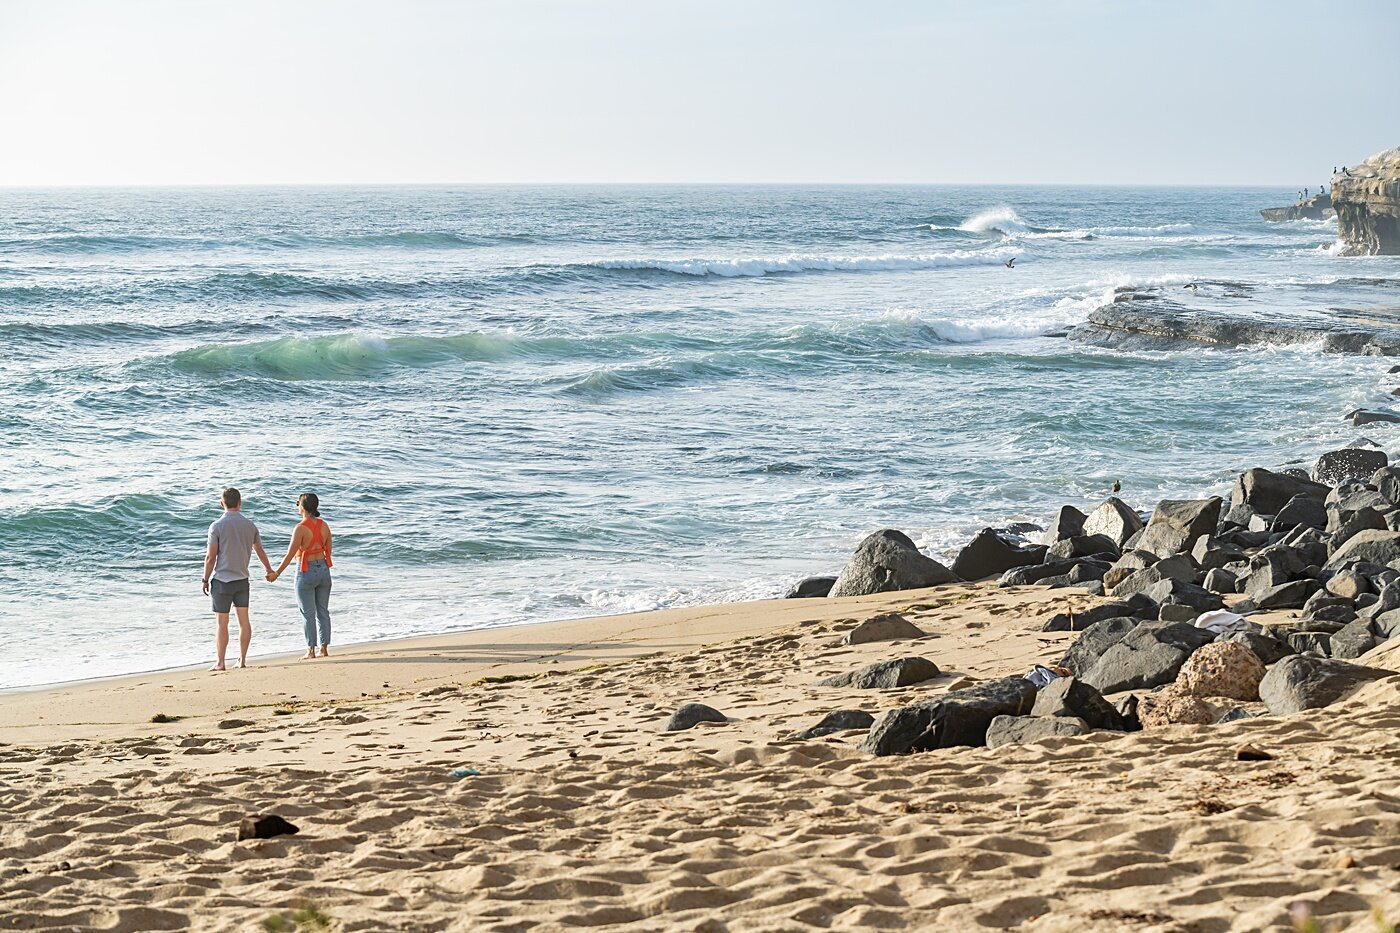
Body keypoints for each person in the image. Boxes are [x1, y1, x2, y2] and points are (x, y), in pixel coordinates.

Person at [202, 487, 273, 671]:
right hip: (242, 580)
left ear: (221, 503)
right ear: (240, 503)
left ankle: (221, 662)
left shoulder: (216, 526)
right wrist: (268, 569)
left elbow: (211, 557)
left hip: (222, 581)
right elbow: (259, 550)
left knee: (222, 623)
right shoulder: (250, 525)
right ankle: (242, 660)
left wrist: (205, 579)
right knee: (244, 621)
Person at [269, 492, 334, 659]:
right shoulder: (324, 525)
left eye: (298, 503)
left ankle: (311, 650)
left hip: (306, 571)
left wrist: (277, 573)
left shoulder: (300, 528)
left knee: (307, 613)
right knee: (323, 611)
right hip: (324, 570)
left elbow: (290, 555)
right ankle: (324, 648)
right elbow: (329, 551)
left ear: (302, 507)